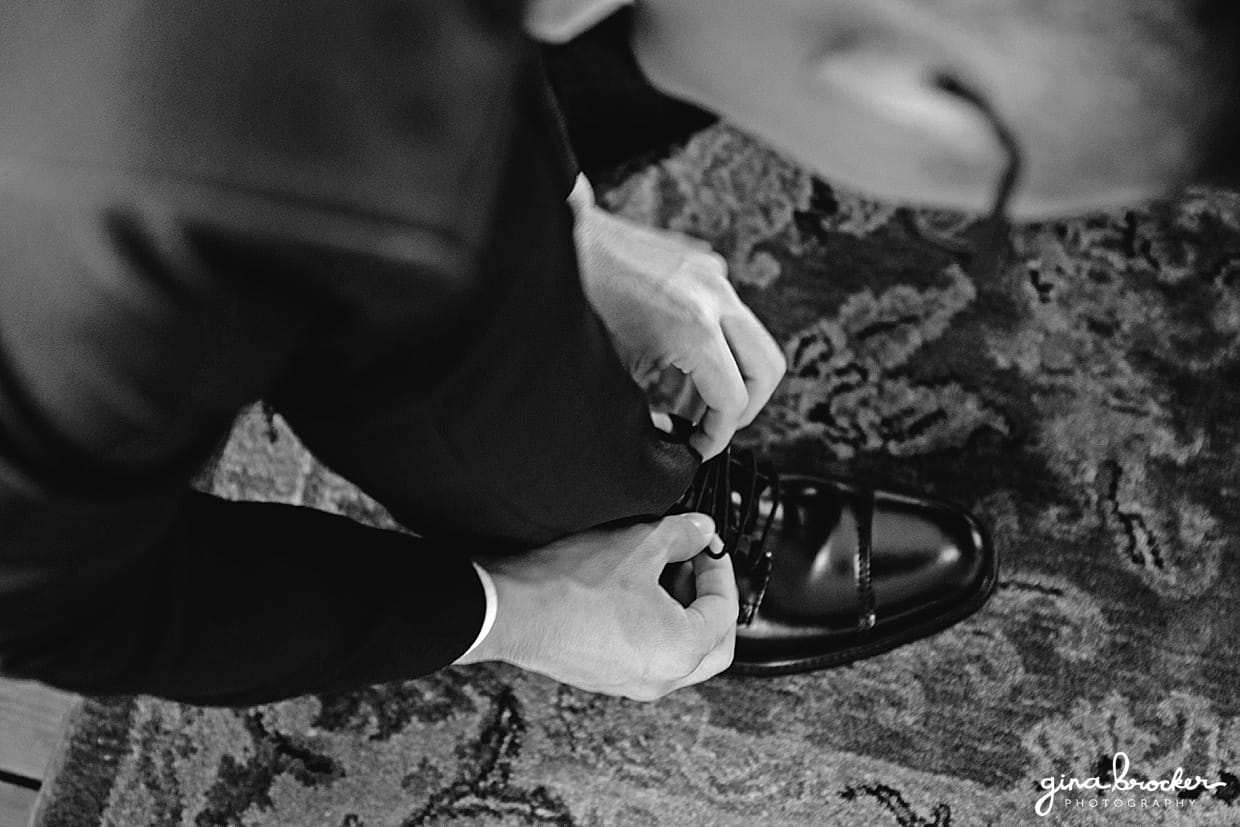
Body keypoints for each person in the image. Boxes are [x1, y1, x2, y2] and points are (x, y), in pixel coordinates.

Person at [0, 0, 1229, 707]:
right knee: (470, 337)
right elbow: (46, 604)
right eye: (1015, 192)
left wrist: (563, 212)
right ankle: (599, 510)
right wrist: (511, 609)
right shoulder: (154, 215)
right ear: (921, 102)